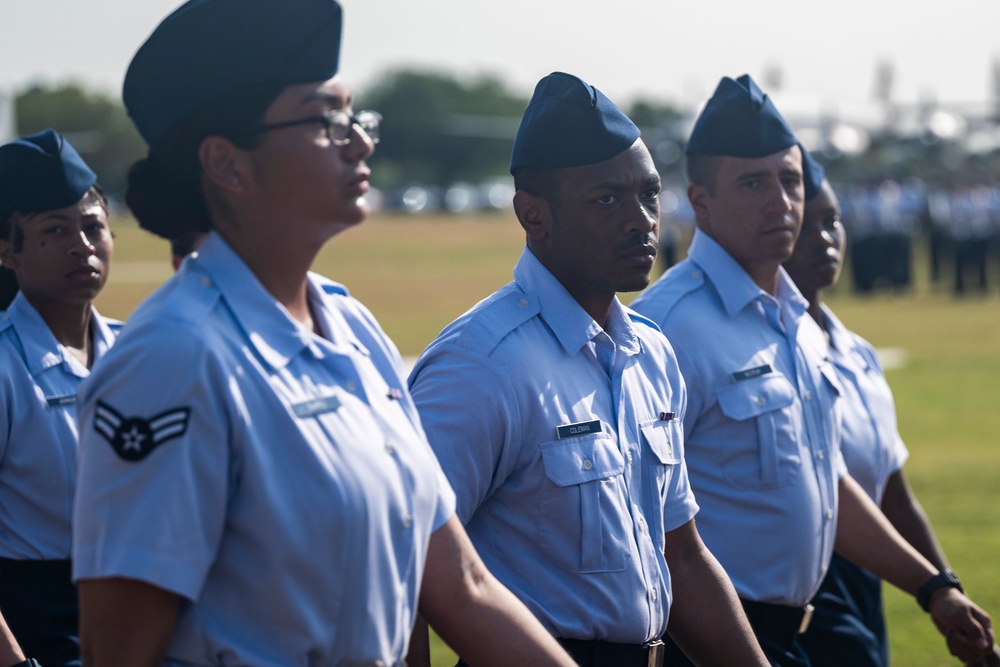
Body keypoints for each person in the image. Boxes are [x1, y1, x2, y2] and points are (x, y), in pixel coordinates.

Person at [70, 2, 576, 666]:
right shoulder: (173, 360)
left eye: (356, 115)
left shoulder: (354, 330)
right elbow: (120, 654)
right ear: (227, 164)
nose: (361, 141)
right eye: (327, 119)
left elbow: (465, 588)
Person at [630, 74, 994, 666]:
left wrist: (933, 588)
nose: (782, 202)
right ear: (700, 201)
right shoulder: (665, 330)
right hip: (708, 640)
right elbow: (644, 524)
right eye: (754, 183)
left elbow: (825, 482)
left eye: (791, 180)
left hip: (797, 634)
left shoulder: (795, 319)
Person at [408, 71, 768, 667]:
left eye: (649, 194)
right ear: (533, 215)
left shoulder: (649, 353)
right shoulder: (482, 365)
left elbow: (681, 555)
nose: (641, 220)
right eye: (606, 199)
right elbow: (407, 562)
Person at [785, 178, 1000, 667]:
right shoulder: (763, 355)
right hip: (809, 574)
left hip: (875, 568)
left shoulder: (858, 351)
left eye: (832, 222)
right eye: (804, 226)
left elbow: (895, 494)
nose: (824, 238)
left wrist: (944, 589)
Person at [0, 129, 120, 667]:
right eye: (55, 230)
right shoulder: (5, 368)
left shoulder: (143, 354)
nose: (83, 246)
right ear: (7, 251)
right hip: (39, 627)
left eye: (93, 226)